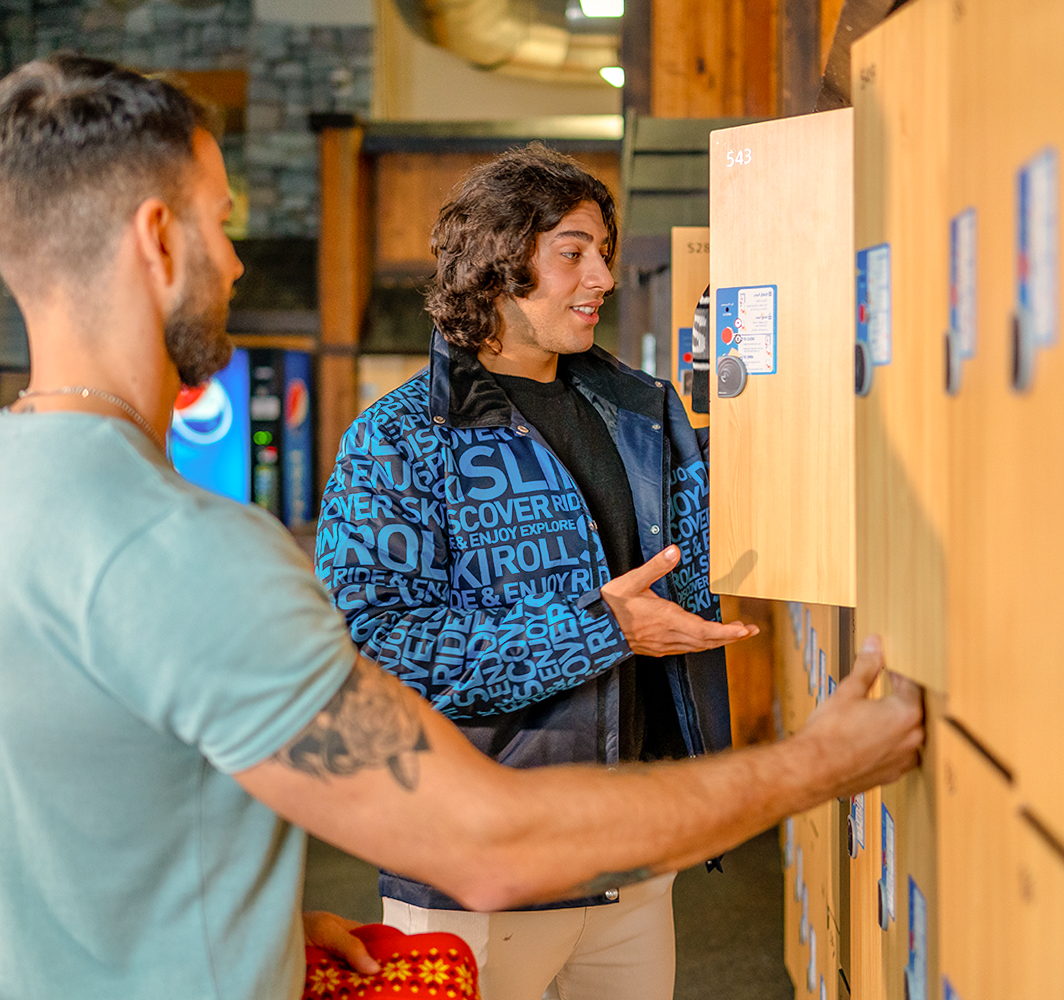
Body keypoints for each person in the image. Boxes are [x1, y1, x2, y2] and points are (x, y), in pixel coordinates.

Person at [0, 54, 924, 1000]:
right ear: (158, 241)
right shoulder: (183, 545)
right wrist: (818, 763)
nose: (240, 262)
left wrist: (251, 931)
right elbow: (484, 843)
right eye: (221, 219)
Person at [313, 145, 757, 1000]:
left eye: (604, 251)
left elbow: (708, 540)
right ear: (498, 264)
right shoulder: (399, 439)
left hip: (629, 847)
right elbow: (372, 647)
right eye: (572, 252)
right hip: (477, 873)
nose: (602, 275)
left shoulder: (641, 409)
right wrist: (606, 627)